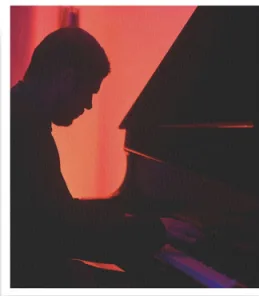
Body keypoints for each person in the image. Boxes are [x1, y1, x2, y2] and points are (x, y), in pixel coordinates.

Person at [11, 27, 199, 287]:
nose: (88, 105)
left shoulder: (20, 115)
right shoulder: (22, 129)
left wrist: (123, 217)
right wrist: (156, 229)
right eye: (89, 92)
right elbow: (65, 231)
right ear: (66, 79)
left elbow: (56, 212)